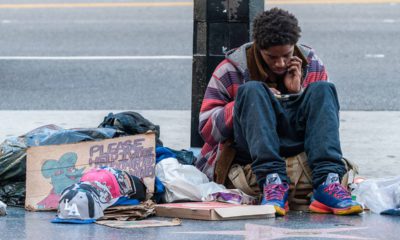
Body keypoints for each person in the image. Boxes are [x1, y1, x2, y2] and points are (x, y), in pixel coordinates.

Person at [194, 8, 363, 216]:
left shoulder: (312, 64)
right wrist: (241, 105)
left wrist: (298, 93)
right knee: (252, 91)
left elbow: (324, 124)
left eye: (286, 55)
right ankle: (273, 183)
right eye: (272, 57)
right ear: (258, 48)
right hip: (253, 150)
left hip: (300, 144)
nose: (281, 64)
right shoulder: (231, 70)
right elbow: (206, 130)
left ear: (294, 47)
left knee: (323, 89)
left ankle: (328, 182)